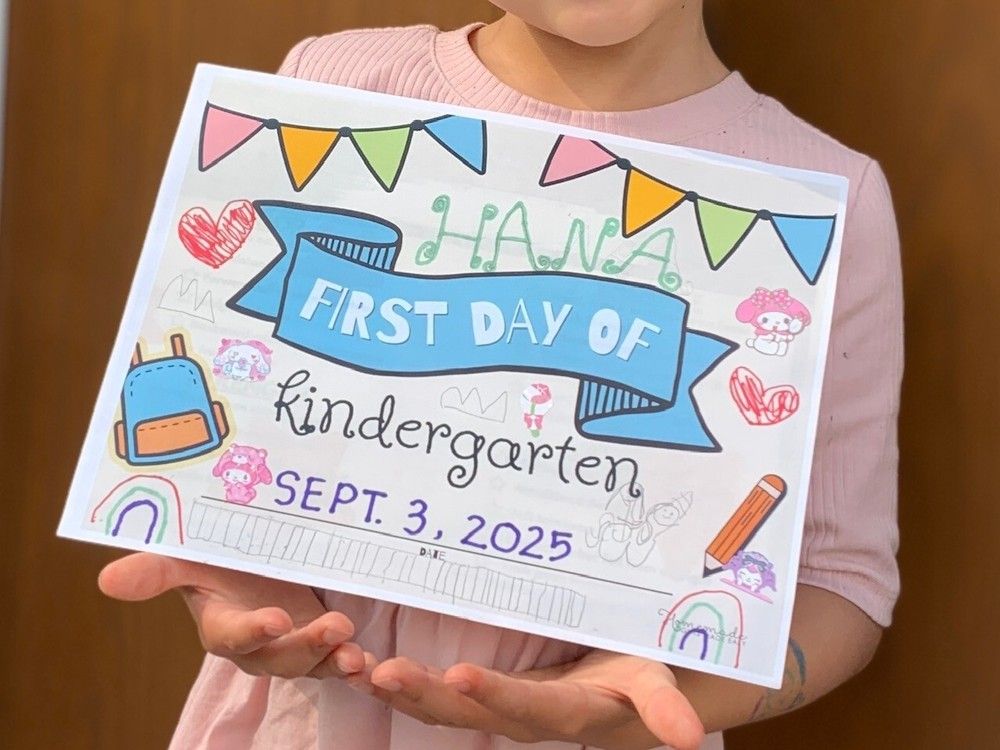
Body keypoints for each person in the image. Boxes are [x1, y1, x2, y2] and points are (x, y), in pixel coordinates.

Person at [98, 2, 903, 748]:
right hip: (313, 719)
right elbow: (237, 431)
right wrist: (227, 580)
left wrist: (655, 702)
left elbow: (839, 580)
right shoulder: (335, 89)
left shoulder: (816, 199)